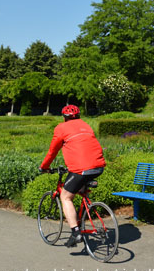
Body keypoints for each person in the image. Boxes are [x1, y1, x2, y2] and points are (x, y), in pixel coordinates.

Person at [39, 105, 106, 247]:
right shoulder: (86, 126)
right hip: (98, 167)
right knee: (78, 188)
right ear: (79, 116)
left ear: (64, 117)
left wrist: (44, 167)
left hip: (80, 169)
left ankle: (75, 233)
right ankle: (82, 215)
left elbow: (52, 151)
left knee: (65, 196)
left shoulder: (61, 128)